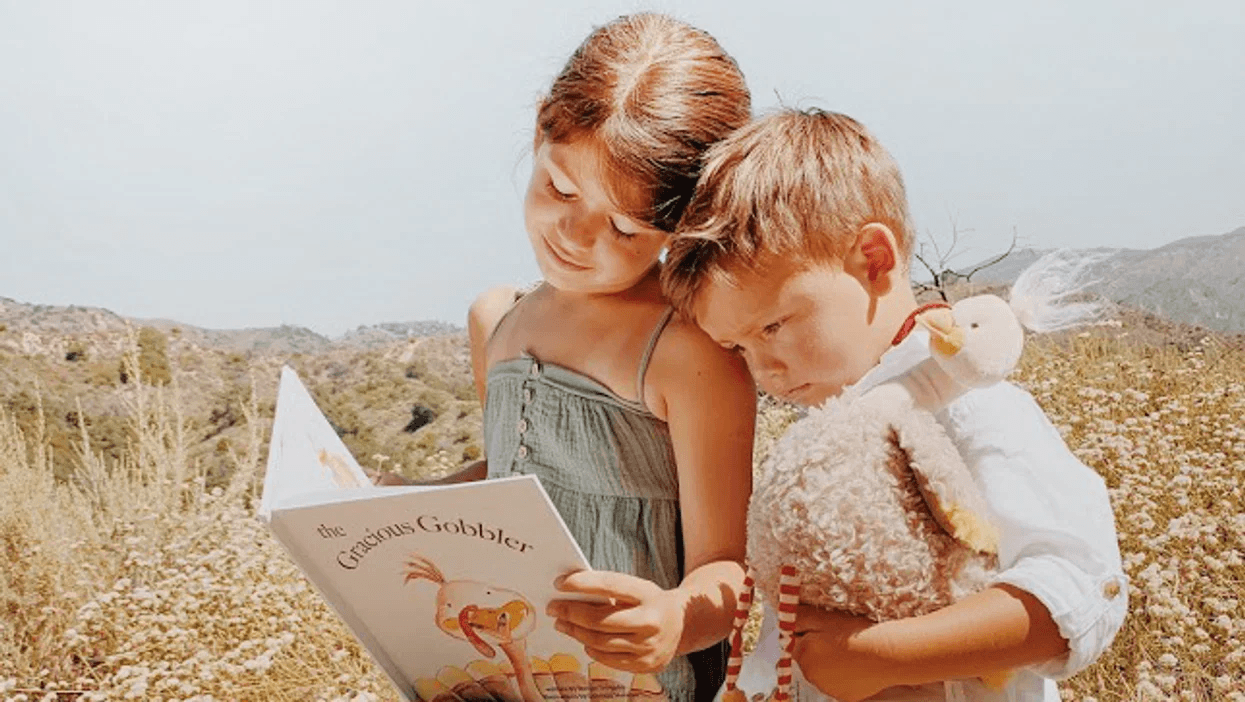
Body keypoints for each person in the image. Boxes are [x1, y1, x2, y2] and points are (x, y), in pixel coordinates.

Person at [660, 109, 1127, 702]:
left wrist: (884, 657)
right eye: (739, 347)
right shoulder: (826, 431)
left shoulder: (968, 405)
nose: (762, 369)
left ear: (875, 260)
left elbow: (1079, 589)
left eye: (774, 326)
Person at [379, 14, 757, 702]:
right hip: (502, 671)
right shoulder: (497, 319)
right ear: (537, 135)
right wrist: (402, 502)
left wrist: (674, 620)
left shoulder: (686, 351)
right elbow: (514, 476)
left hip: (635, 685)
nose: (578, 237)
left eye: (624, 226)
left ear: (686, 219)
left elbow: (725, 567)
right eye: (559, 189)